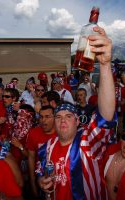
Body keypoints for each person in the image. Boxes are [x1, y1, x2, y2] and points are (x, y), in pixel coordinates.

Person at [36, 26, 116, 200]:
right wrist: (40, 181)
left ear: (78, 121)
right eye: (58, 116)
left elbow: (106, 116)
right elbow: (40, 172)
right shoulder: (45, 147)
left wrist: (104, 65)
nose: (62, 120)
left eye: (68, 116)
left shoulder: (87, 142)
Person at [26, 106, 57, 198]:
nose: (43, 120)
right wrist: (33, 183)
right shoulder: (33, 133)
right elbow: (31, 158)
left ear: (55, 117)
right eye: (41, 116)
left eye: (47, 117)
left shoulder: (61, 133)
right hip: (40, 178)